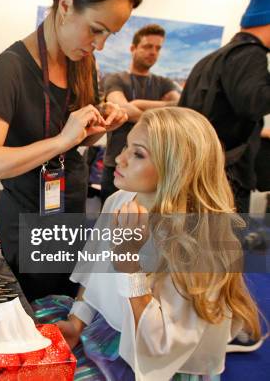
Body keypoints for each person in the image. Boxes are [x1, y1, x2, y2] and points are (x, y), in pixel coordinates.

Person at [32, 107, 263, 380]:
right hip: (111, 328)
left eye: (138, 153)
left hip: (157, 360)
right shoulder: (119, 201)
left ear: (177, 168)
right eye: (126, 147)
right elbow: (94, 272)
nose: (118, 158)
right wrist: (76, 321)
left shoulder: (198, 243)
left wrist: (130, 266)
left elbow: (159, 348)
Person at [0, 0, 140, 302]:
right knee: (37, 319)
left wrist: (96, 130)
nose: (100, 46)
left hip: (70, 211)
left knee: (66, 312)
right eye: (96, 29)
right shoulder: (10, 68)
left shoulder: (83, 62)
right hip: (30, 219)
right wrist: (62, 140)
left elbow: (73, 141)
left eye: (110, 36)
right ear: (65, 4)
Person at [179, 0, 270, 213]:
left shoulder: (213, 58)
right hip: (225, 177)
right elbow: (254, 104)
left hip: (198, 170)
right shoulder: (251, 54)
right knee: (224, 246)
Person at [100, 24, 181, 203]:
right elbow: (122, 108)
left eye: (157, 48)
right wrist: (161, 111)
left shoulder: (164, 83)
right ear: (133, 48)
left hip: (152, 172)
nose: (153, 52)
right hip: (117, 163)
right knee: (111, 222)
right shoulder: (116, 79)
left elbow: (179, 109)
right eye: (147, 46)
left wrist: (138, 104)